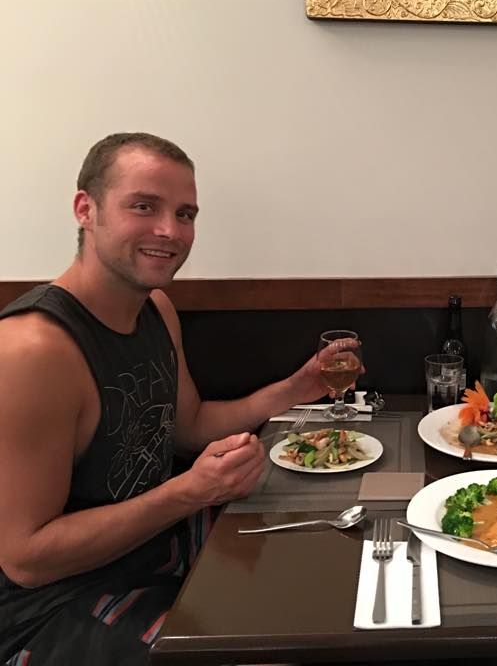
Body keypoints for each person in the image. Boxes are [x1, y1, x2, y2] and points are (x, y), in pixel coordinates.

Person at [0, 133, 348, 665]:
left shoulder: (156, 308)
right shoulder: (34, 349)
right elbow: (26, 559)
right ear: (84, 209)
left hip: (158, 549)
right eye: (144, 206)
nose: (170, 231)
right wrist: (190, 491)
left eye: (185, 214)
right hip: (57, 607)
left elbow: (188, 426)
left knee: (336, 557)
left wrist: (296, 390)